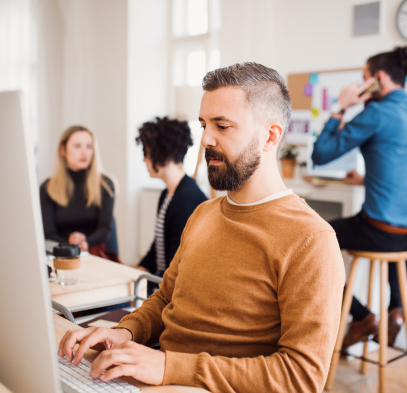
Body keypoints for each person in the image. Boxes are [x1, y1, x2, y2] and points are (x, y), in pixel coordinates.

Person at [58, 63, 345, 392]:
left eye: (222, 126)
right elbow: (165, 299)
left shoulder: (311, 239)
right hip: (162, 375)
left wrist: (170, 366)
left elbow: (301, 377)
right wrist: (124, 332)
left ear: (270, 136)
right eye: (204, 125)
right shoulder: (203, 214)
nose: (206, 140)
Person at [311, 46, 407, 349]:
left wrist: (339, 108)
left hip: (382, 232)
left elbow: (321, 154)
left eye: (364, 78)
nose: (361, 84)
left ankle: (361, 317)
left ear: (379, 78)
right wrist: (366, 180)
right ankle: (395, 310)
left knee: (312, 240)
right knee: (395, 241)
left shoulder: (377, 113)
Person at [135, 117, 207, 292]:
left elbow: (177, 269)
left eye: (146, 152)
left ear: (163, 154)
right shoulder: (167, 194)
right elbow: (158, 247)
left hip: (172, 290)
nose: (144, 159)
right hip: (160, 281)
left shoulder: (187, 200)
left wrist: (142, 283)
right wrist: (138, 271)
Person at [40, 125, 115, 253]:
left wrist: (86, 243)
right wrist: (69, 242)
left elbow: (104, 228)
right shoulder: (47, 188)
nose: (84, 152)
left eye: (89, 146)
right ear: (62, 150)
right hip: (60, 250)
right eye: (77, 146)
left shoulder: (105, 185)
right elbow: (48, 233)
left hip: (93, 250)